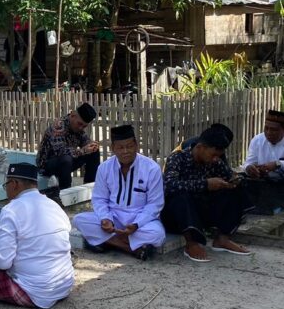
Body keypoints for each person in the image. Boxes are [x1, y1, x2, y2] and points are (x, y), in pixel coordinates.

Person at [0, 162, 74, 308]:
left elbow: (2, 263)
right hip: (63, 286)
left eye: (6, 184)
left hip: (35, 291)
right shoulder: (54, 206)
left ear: (14, 184)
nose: (6, 189)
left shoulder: (11, 210)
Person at [73, 125, 166, 260]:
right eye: (120, 147)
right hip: (113, 218)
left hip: (140, 220)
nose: (125, 151)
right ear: (113, 149)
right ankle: (130, 248)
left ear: (136, 146)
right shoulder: (104, 168)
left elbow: (155, 204)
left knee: (158, 235)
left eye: (129, 146)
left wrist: (136, 224)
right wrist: (106, 218)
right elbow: (99, 199)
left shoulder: (152, 168)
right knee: (79, 220)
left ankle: (107, 241)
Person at [161, 127, 252, 262]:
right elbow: (170, 186)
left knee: (235, 191)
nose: (216, 159)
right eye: (213, 155)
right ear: (200, 147)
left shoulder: (215, 162)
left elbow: (231, 176)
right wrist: (205, 184)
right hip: (177, 216)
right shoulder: (177, 158)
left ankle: (222, 239)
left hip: (200, 213)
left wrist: (234, 181)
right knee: (180, 196)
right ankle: (191, 243)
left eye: (219, 156)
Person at [36, 103, 100, 190]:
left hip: (66, 162)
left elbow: (85, 141)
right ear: (73, 115)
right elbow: (61, 151)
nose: (81, 128)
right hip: (47, 165)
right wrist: (84, 150)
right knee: (66, 159)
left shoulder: (78, 127)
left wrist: (91, 146)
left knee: (94, 152)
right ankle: (65, 191)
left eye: (84, 126)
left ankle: (90, 187)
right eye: (80, 124)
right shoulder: (58, 126)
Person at [243, 109, 284, 181]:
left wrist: (277, 164)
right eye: (266, 128)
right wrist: (249, 168)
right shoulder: (257, 140)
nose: (268, 132)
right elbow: (249, 163)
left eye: (273, 129)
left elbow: (278, 164)